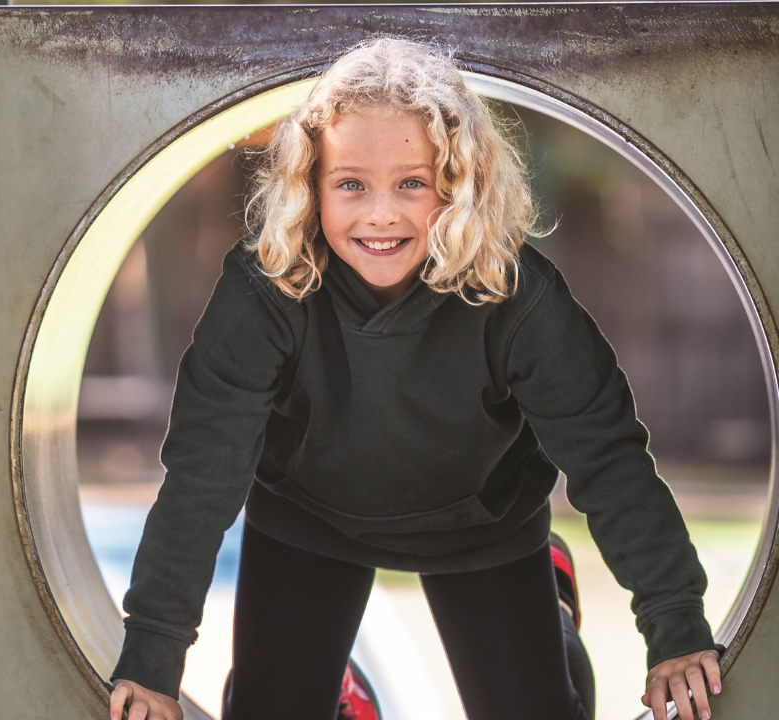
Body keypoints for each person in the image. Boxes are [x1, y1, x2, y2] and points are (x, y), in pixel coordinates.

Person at [106, 38, 725, 720]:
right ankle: (341, 701)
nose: (380, 214)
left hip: (481, 520)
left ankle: (552, 607)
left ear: (459, 184)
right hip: (308, 515)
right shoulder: (267, 290)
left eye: (412, 182)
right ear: (309, 186)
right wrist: (152, 659)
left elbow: (607, 458)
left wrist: (674, 625)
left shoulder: (513, 295)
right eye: (350, 184)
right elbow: (202, 472)